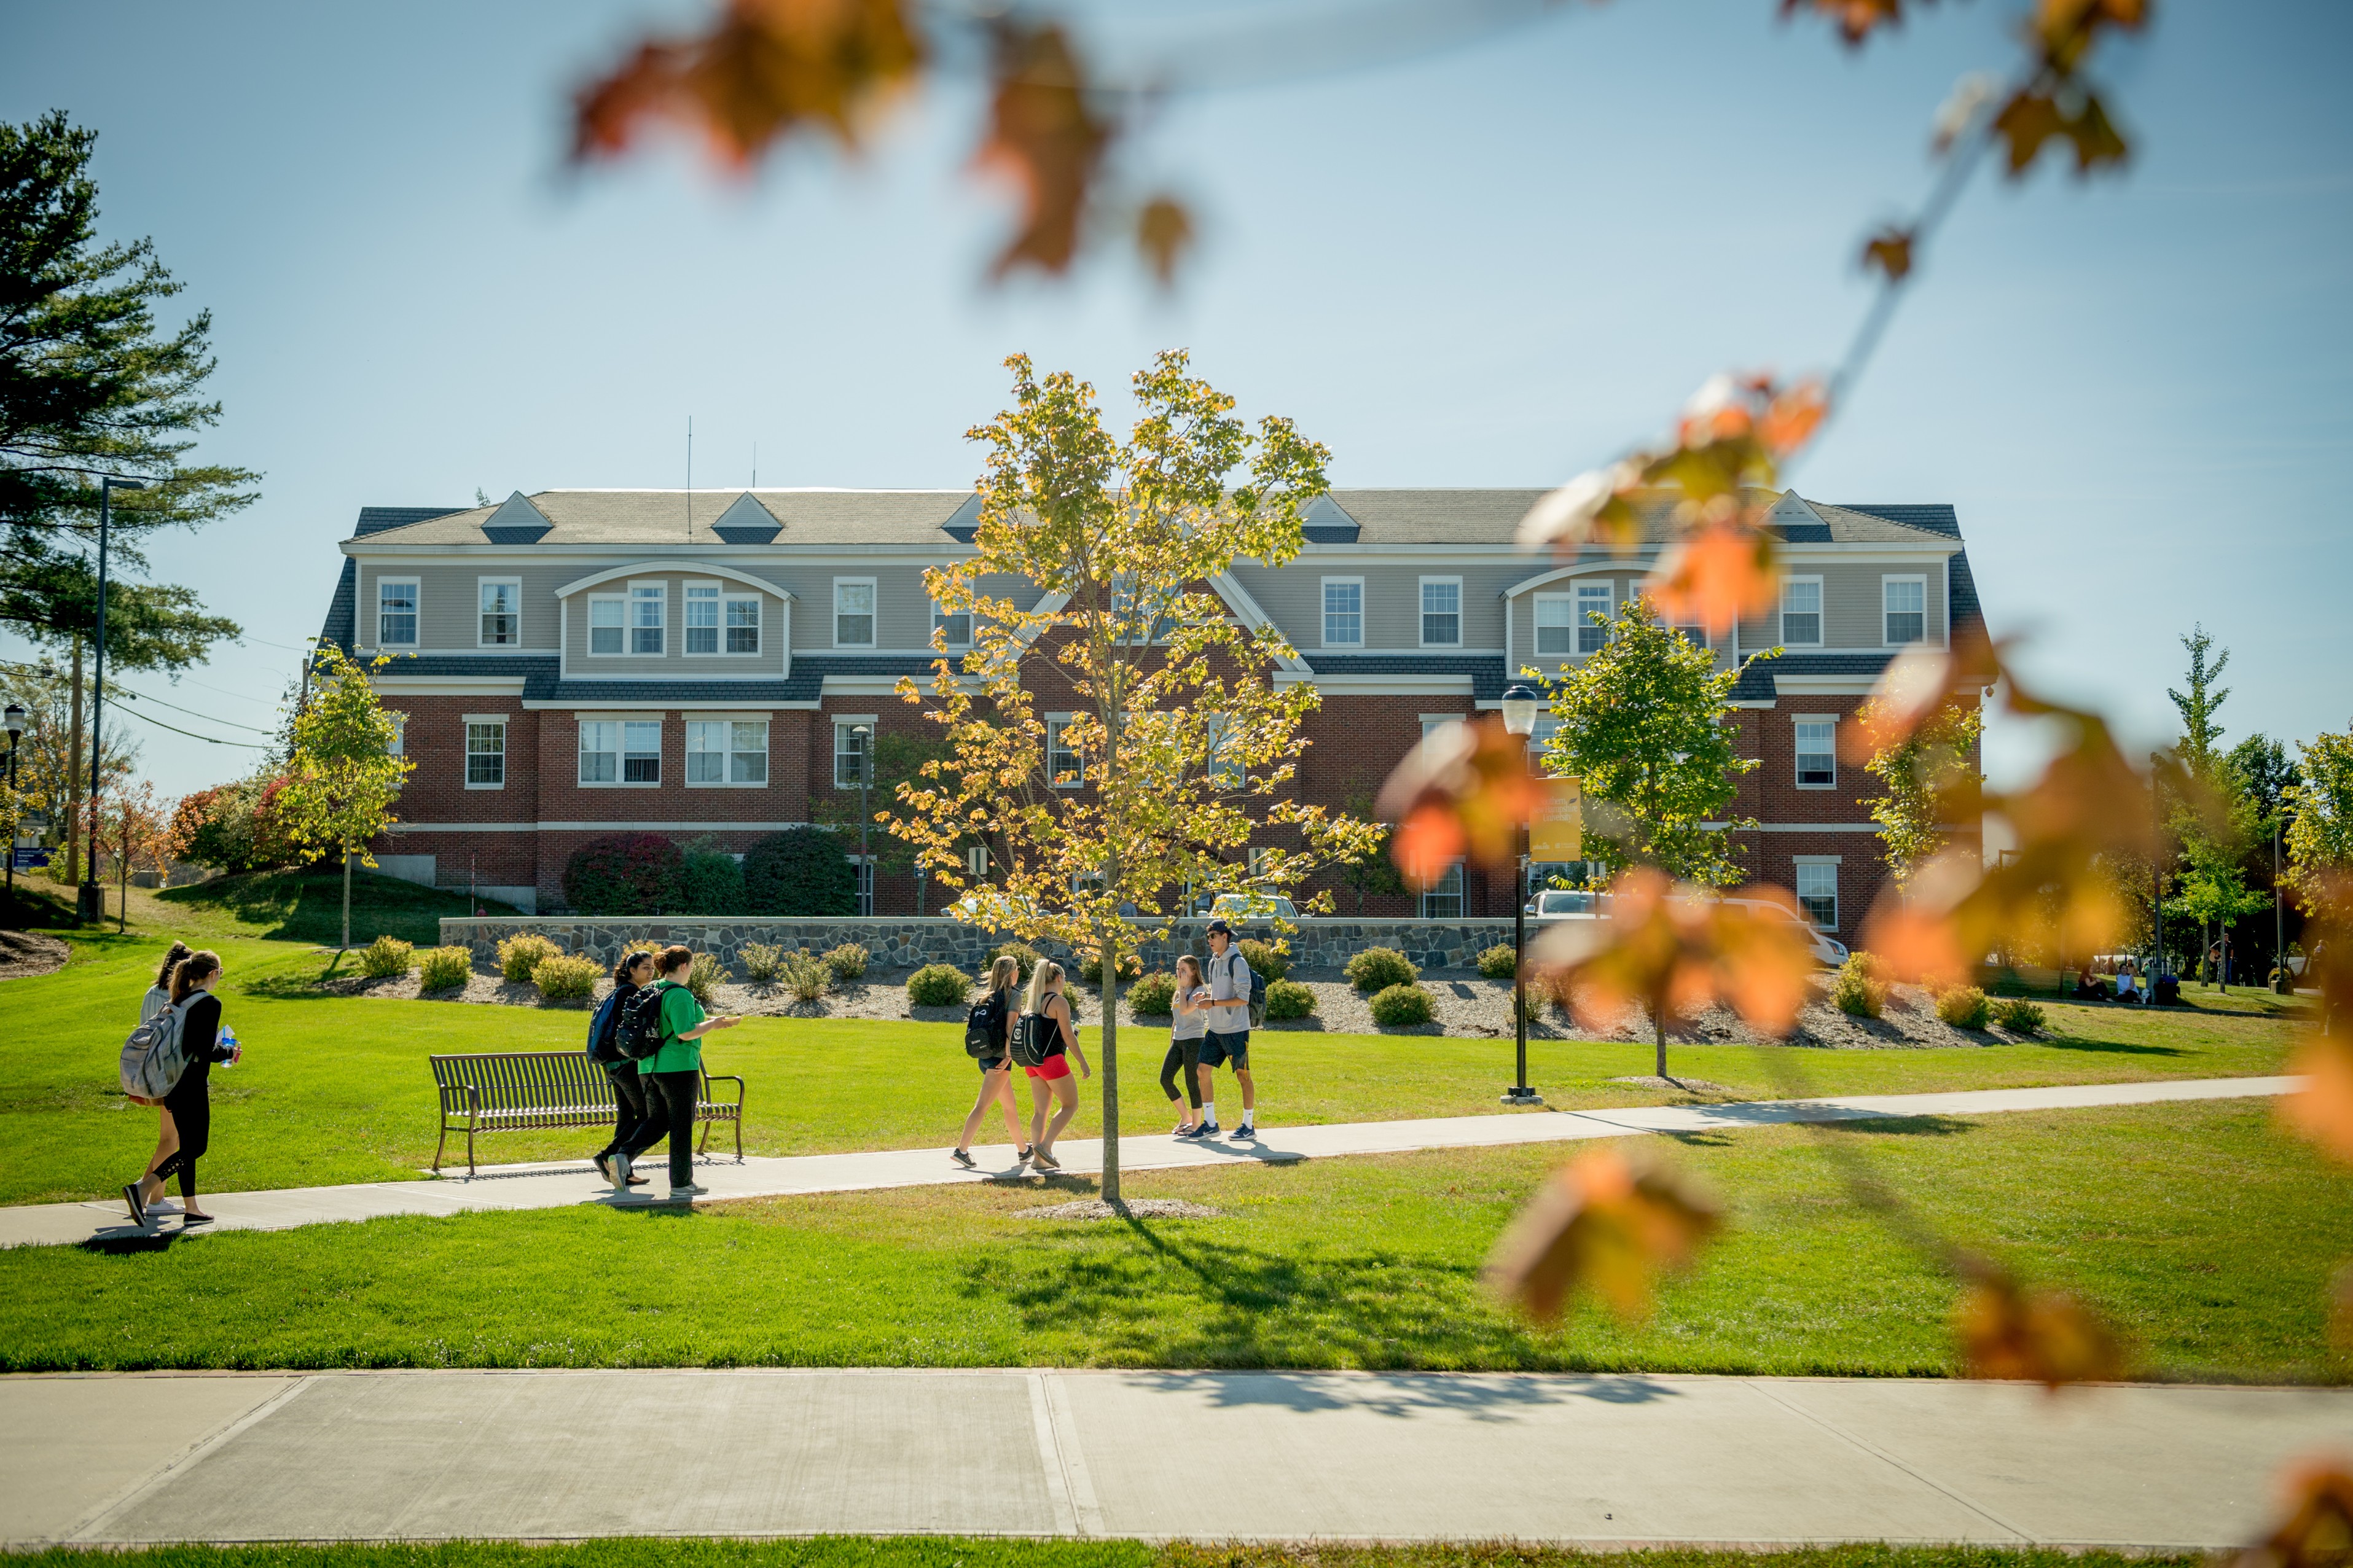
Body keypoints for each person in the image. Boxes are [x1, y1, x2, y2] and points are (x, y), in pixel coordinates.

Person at [123, 950, 237, 1225]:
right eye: (220, 973)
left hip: (172, 1083)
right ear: (212, 974)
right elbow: (202, 1049)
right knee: (196, 1148)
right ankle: (143, 1189)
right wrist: (228, 1053)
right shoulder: (210, 1003)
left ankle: (192, 1209)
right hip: (192, 1084)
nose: (220, 978)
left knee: (187, 1145)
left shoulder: (180, 998)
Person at [638, 945, 742, 1199]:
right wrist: (713, 1024)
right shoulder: (680, 994)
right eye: (692, 966)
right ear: (684, 966)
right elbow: (685, 1033)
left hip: (647, 1067)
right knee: (682, 1126)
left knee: (657, 1122)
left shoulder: (651, 990)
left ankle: (619, 1156)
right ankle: (682, 1183)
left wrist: (709, 1024)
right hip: (678, 1067)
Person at [953, 956, 1031, 1168]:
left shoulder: (985, 997)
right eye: (1016, 970)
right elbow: (1011, 1027)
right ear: (1011, 973)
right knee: (983, 1106)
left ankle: (1024, 1150)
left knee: (1010, 1107)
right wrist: (1009, 1056)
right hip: (999, 1059)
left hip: (984, 1056)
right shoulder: (1013, 995)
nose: (1018, 974)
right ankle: (961, 1150)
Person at [133, 942, 193, 1215]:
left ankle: (143, 1189)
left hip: (150, 1072)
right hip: (172, 1075)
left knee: (170, 1137)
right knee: (171, 1138)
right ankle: (153, 1198)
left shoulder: (151, 993)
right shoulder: (178, 996)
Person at [590, 951, 659, 1189]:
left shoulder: (619, 992)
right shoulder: (631, 994)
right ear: (632, 971)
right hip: (624, 1064)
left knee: (627, 1115)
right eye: (645, 968)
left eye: (652, 968)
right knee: (647, 1115)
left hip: (612, 1065)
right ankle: (607, 1157)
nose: (651, 972)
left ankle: (624, 1171)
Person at [1019, 959, 1089, 1169]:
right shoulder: (1059, 1002)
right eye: (1065, 978)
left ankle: (1039, 1162)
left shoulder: (1034, 1002)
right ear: (1059, 978)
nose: (1065, 982)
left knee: (1040, 1111)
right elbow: (1068, 1036)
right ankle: (1046, 1147)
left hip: (1033, 1062)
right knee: (1070, 1105)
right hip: (1052, 1061)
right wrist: (1083, 1063)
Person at [1196, 919, 1256, 1139]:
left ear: (1225, 937)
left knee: (1243, 1076)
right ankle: (1211, 1124)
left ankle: (1248, 1126)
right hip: (1215, 1030)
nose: (1210, 940)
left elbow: (1242, 999)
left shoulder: (1238, 962)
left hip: (1236, 1030)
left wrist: (1212, 1003)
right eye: (1208, 936)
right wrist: (1208, 997)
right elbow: (1221, 994)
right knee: (1202, 1072)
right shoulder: (1213, 962)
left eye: (1213, 936)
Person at [1164, 954, 1210, 1137]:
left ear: (1193, 971)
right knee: (1165, 1079)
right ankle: (1185, 1117)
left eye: (1184, 970)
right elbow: (1176, 1020)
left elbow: (1186, 1010)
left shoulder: (1200, 991)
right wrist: (1171, 1042)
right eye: (1178, 969)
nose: (1179, 973)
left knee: (1192, 1082)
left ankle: (1197, 1125)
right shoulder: (1180, 991)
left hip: (1194, 1040)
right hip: (1178, 1041)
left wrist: (1183, 989)